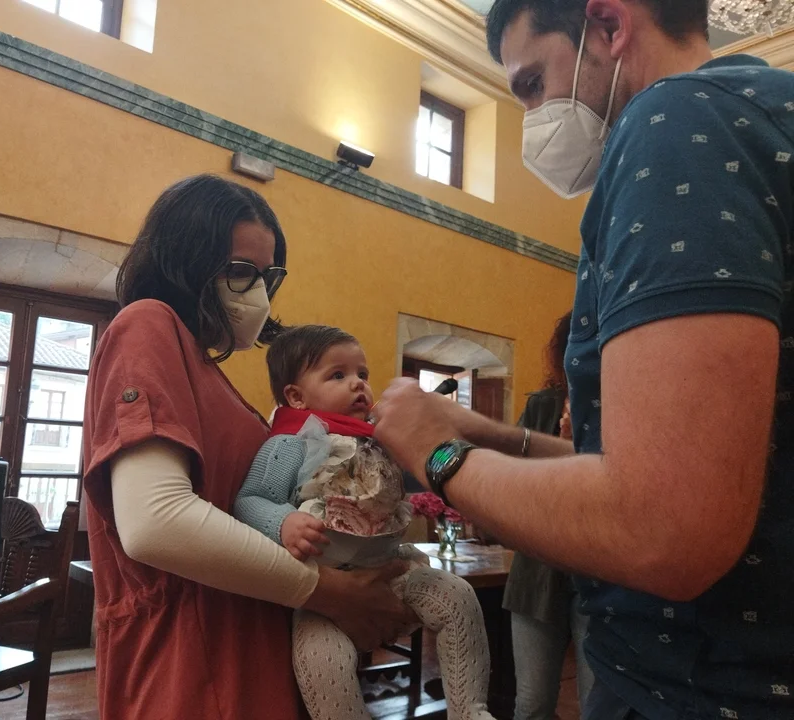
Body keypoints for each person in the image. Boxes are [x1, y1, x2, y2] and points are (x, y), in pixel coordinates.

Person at [372, 2, 794, 718]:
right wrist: (493, 436)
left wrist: (438, 455)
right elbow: (681, 461)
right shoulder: (762, 110)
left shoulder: (675, 123)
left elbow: (664, 524)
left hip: (699, 689)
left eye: (534, 83)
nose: (534, 119)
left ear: (609, 25)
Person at [80, 175, 415, 720]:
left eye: (267, 275)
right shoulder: (147, 324)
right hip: (190, 666)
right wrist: (329, 591)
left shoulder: (207, 372)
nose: (257, 292)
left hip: (245, 651)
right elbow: (156, 521)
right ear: (184, 259)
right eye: (240, 271)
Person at [233, 325, 494, 720]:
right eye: (338, 375)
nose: (358, 384)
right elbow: (251, 499)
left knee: (458, 598)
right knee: (323, 662)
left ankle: (470, 710)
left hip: (393, 570)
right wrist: (283, 522)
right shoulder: (291, 442)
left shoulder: (377, 440)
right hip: (324, 588)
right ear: (296, 396)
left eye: (362, 374)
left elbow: (417, 476)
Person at [502, 312, 593, 720]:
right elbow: (513, 484)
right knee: (532, 702)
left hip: (599, 574)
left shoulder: (623, 408)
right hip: (537, 573)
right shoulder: (542, 406)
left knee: (597, 704)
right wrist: (561, 445)